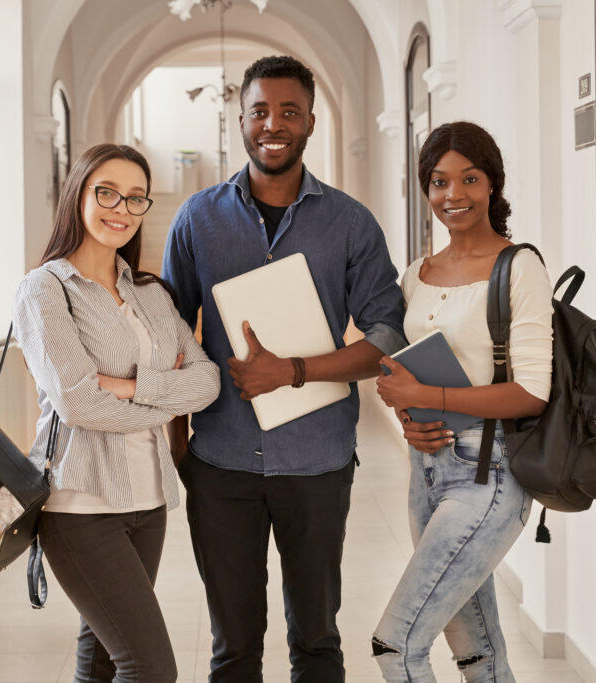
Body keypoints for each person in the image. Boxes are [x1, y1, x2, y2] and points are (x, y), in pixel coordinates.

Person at [161, 55, 406, 682]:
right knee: (233, 650)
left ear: (310, 122)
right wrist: (180, 446)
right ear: (239, 120)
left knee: (318, 643)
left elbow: (384, 335)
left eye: (288, 112)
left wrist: (292, 371)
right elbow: (168, 337)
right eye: (260, 111)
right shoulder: (196, 219)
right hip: (219, 464)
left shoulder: (351, 223)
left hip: (318, 462)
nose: (274, 123)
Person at [13, 143, 220, 683]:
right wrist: (160, 397)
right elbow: (78, 402)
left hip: (149, 499)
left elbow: (207, 381)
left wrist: (128, 388)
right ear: (78, 194)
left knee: (103, 655)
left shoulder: (150, 292)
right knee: (149, 667)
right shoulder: (46, 289)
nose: (121, 209)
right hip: (80, 504)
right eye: (107, 192)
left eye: (135, 198)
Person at [371, 121, 554, 682]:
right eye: (439, 182)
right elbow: (402, 370)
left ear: (493, 184)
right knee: (476, 650)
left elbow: (531, 393)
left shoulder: (518, 266)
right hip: (425, 474)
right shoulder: (416, 275)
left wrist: (424, 394)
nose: (454, 195)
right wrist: (409, 419)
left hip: (489, 475)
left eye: (469, 179)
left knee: (396, 646)